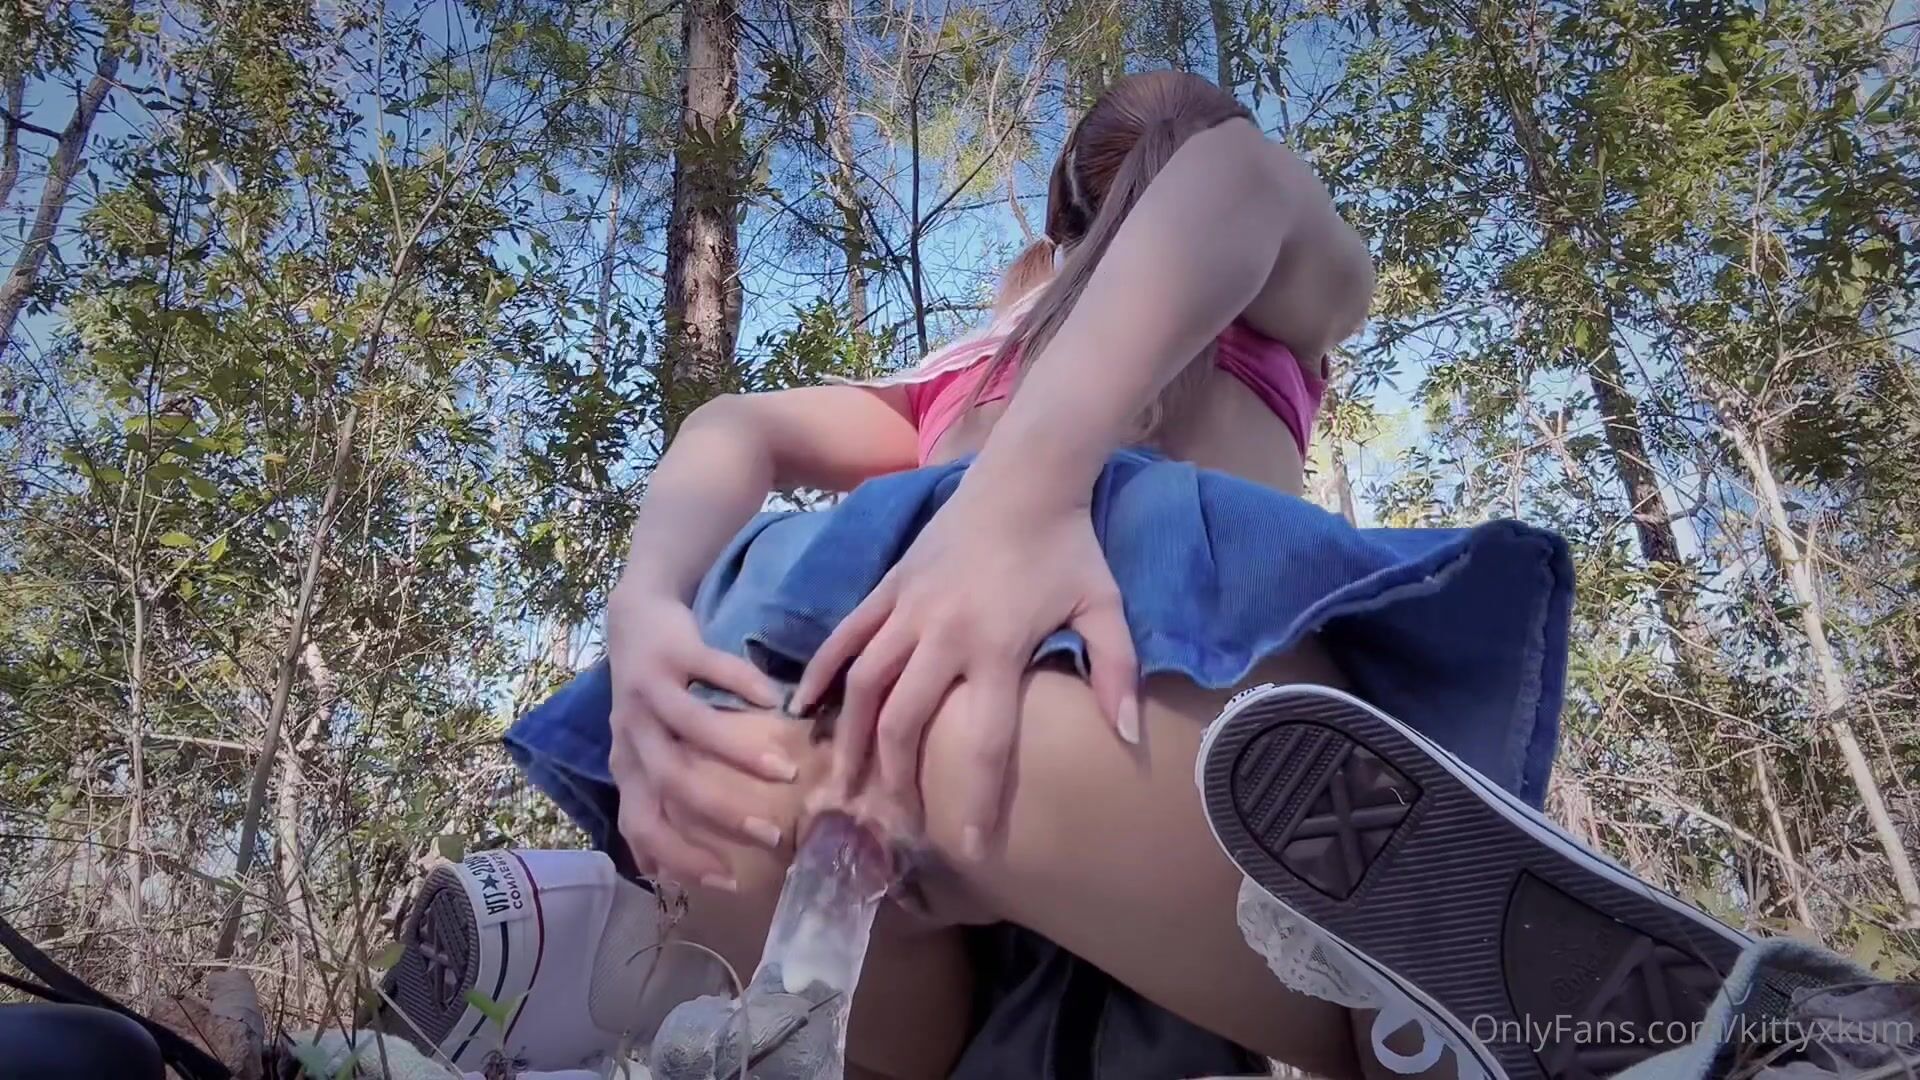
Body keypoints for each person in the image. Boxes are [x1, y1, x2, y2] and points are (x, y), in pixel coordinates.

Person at [386, 70, 1616, 1079]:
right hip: (1013, 823)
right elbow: (737, 425)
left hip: (1094, 726)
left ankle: (1455, 998)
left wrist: (1022, 492)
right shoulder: (991, 364)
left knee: (833, 770)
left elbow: (1229, 182)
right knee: (781, 788)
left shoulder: (1211, 290)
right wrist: (648, 602)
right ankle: (1435, 999)